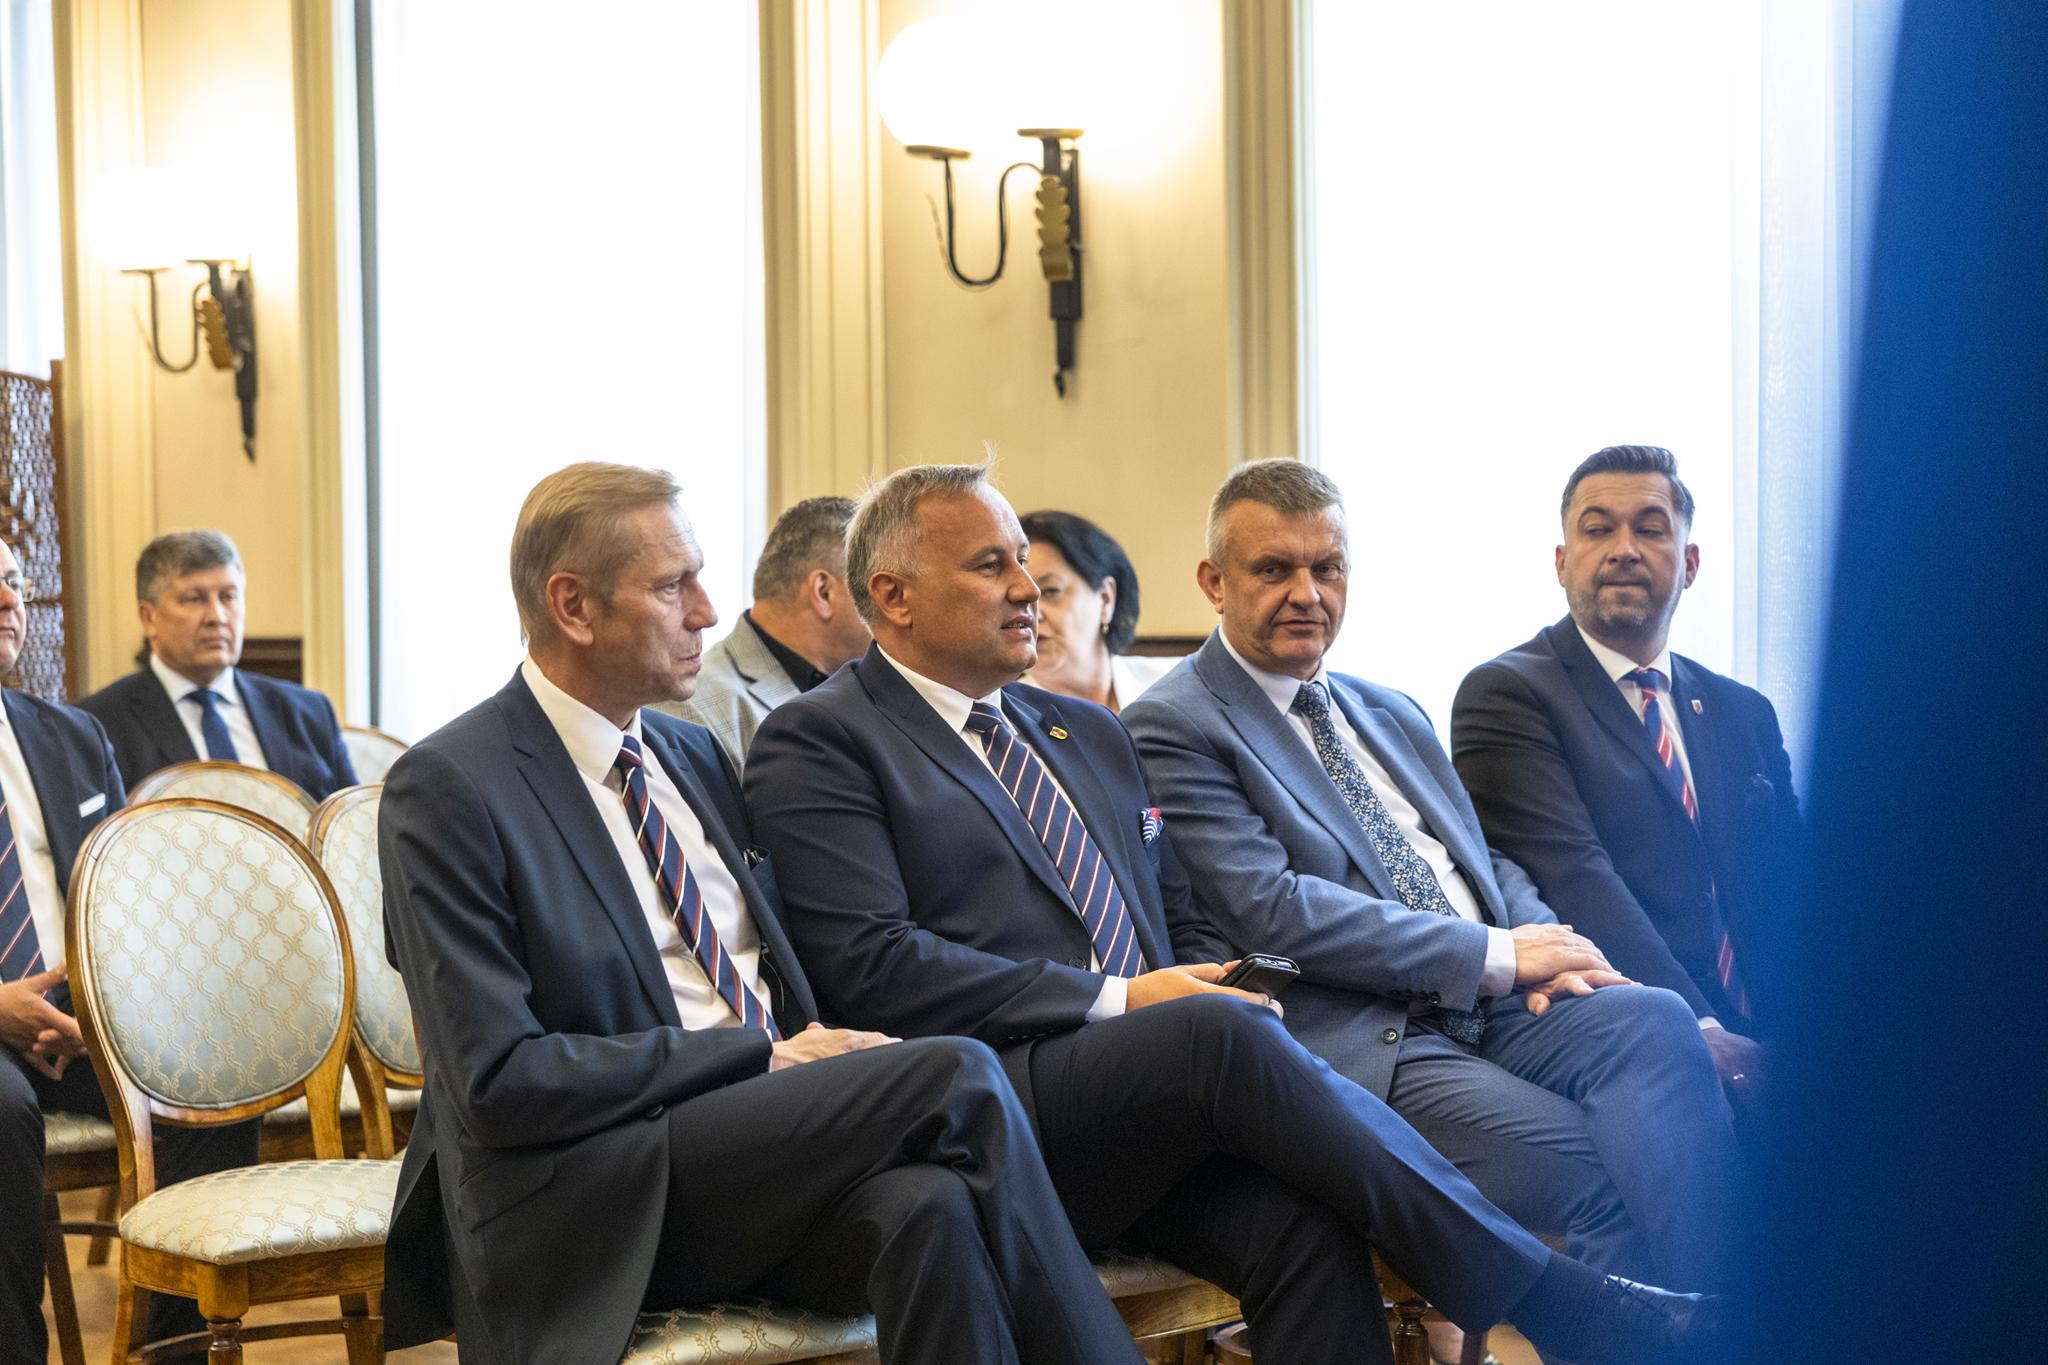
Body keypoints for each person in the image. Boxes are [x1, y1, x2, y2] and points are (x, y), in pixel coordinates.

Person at [745, 460, 1723, 1365]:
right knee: (1216, 1032)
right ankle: (1547, 1296)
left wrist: (1232, 986)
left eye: (1025, 565)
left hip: (1165, 1088)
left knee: (1307, 1228)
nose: (1026, 588)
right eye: (990, 565)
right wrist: (1123, 1001)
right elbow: (874, 967)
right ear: (894, 597)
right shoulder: (823, 739)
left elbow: (1183, 923)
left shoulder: (1080, 732)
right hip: (993, 1095)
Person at [376, 462, 1145, 1365]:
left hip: (763, 1147)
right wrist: (761, 1054)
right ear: (573, 606)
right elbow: (499, 1081)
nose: (708, 611)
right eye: (673, 586)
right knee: (956, 1074)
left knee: (927, 1209)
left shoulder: (690, 753)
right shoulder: (451, 785)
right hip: (605, 1185)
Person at [1123, 458, 1743, 1307]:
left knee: (1656, 1019)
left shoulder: (1390, 708)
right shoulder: (1173, 723)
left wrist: (1552, 949)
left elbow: (1485, 864)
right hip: (1372, 1032)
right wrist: (1497, 953)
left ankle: (1738, 1327)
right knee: (1608, 1165)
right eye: (1273, 569)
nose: (1306, 593)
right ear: (1213, 582)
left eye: (1327, 567)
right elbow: (1273, 909)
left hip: (1497, 1002)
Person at [1449, 446, 1798, 1103]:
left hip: (1782, 1026)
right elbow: (1576, 879)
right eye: (1598, 529)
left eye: (1650, 528)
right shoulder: (1507, 694)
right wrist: (1700, 1029)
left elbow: (1796, 885)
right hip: (1645, 1030)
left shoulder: (1743, 712)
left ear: (1689, 563)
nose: (1624, 549)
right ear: (1561, 562)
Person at [0, 538, 256, 1362]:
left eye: (14, 581)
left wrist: (116, 1007)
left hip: (84, 1012)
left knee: (214, 1077)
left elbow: (128, 905)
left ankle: (173, 1349)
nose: (9, 600)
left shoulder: (72, 736)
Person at [76, 531, 357, 799]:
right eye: (195, 599)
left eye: (228, 597)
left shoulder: (309, 713)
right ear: (148, 618)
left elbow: (346, 825)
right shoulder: (98, 725)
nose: (217, 617)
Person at [657, 495, 870, 771]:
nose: (893, 606)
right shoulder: (689, 707)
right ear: (823, 592)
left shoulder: (865, 693)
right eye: (874, 588)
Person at [1018, 510, 1172, 712]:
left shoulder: (1174, 685)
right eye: (1018, 599)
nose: (1032, 614)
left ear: (1106, 598)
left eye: (1050, 591)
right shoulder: (1001, 718)